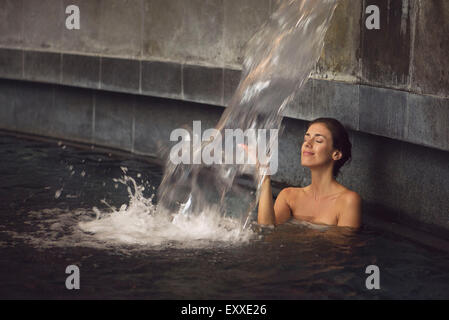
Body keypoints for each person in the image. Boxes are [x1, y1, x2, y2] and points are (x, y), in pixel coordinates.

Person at [257, 118, 362, 229]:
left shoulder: (348, 201)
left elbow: (343, 246)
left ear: (336, 154)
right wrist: (265, 177)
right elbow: (266, 231)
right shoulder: (288, 196)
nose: (307, 143)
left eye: (318, 141)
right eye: (306, 138)